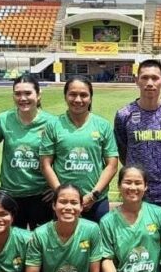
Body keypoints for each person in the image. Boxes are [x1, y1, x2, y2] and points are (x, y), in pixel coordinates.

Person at [113, 59, 161, 217]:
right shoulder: (124, 114)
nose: (149, 83)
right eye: (145, 78)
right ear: (136, 80)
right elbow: (123, 150)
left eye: (155, 78)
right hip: (135, 190)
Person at [39, 76, 119, 223]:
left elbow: (112, 165)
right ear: (65, 96)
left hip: (96, 201)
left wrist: (93, 195)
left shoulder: (103, 125)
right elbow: (45, 164)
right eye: (72, 94)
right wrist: (62, 194)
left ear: (90, 98)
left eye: (83, 95)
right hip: (64, 203)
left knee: (98, 237)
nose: (78, 99)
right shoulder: (53, 125)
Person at [0, 75, 53, 229]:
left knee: (41, 241)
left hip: (41, 196)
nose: (23, 98)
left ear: (38, 95)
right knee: (12, 242)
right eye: (18, 94)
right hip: (10, 195)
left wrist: (56, 188)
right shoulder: (4, 119)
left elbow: (61, 156)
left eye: (28, 93)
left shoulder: (51, 122)